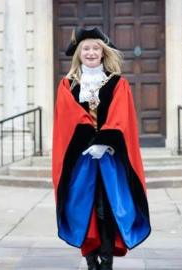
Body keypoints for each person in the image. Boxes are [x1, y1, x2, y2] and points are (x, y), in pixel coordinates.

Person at [52, 27, 151, 270]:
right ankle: (90, 262)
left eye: (96, 48)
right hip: (80, 159)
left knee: (107, 208)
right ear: (78, 53)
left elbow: (121, 114)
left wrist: (105, 140)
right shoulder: (68, 84)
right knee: (82, 209)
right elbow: (67, 116)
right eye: (86, 48)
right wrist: (87, 140)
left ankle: (106, 262)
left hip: (109, 158)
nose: (91, 52)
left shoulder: (118, 83)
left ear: (103, 52)